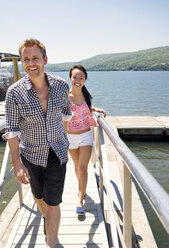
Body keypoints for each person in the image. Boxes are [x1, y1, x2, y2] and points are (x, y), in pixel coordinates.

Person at [3, 38, 72, 248]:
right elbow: (12, 132)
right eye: (26, 59)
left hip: (57, 153)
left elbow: (66, 117)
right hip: (31, 155)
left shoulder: (61, 86)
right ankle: (46, 219)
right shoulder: (14, 93)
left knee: (53, 203)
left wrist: (64, 140)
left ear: (45, 59)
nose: (31, 63)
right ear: (22, 62)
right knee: (38, 196)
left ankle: (51, 242)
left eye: (35, 58)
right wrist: (17, 164)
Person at [66, 64, 106, 216]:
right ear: (70, 78)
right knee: (77, 166)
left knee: (83, 168)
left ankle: (80, 200)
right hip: (70, 137)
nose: (77, 80)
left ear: (85, 80)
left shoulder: (85, 94)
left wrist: (96, 109)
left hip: (85, 135)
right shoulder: (65, 97)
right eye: (75, 77)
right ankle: (80, 188)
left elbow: (86, 107)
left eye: (81, 78)